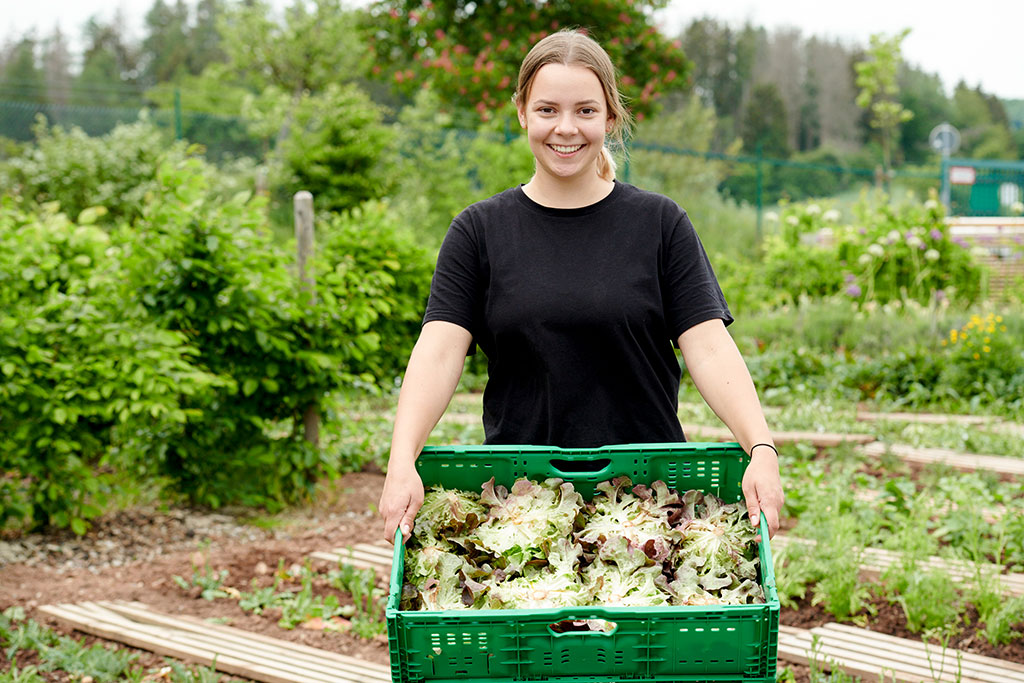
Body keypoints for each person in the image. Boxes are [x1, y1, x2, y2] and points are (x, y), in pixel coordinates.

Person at [379, 29, 783, 546]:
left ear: (609, 118)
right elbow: (437, 354)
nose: (565, 128)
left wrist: (761, 449)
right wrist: (401, 460)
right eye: (547, 109)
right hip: (521, 506)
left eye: (585, 111)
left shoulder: (659, 224)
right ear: (522, 112)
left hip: (646, 504)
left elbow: (707, 346)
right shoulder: (479, 231)